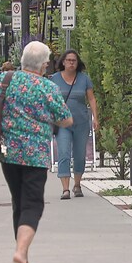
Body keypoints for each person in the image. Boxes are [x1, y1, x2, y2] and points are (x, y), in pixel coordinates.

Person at [0, 41, 72, 263]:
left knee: (19, 203)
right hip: (36, 155)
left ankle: (24, 258)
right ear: (43, 65)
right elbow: (66, 120)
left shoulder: (6, 79)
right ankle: (20, 254)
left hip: (8, 153)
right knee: (32, 204)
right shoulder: (48, 87)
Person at [50, 49, 99, 200]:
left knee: (80, 155)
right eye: (69, 60)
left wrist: (95, 118)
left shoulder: (84, 79)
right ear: (63, 62)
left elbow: (91, 99)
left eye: (74, 61)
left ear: (78, 63)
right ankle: (65, 189)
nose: (71, 63)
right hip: (63, 123)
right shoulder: (55, 79)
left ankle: (77, 185)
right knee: (64, 153)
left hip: (81, 122)